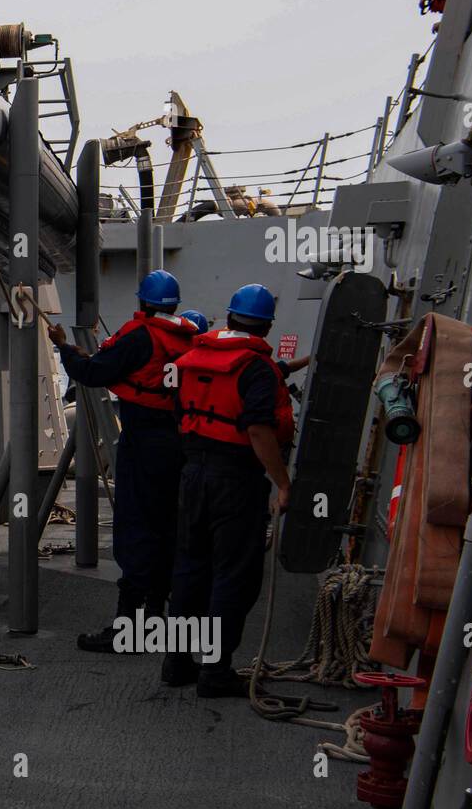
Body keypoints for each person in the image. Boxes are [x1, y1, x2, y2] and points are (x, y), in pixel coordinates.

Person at [163, 285, 309, 696]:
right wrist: (283, 483)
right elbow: (260, 429)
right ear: (264, 326)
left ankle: (176, 662)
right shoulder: (256, 369)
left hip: (193, 475)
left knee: (190, 569)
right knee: (233, 574)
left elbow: (181, 414)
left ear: (229, 319)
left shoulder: (190, 360)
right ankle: (214, 671)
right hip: (236, 480)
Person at [48, 269, 198, 652]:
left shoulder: (139, 337)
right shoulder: (189, 339)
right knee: (167, 531)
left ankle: (128, 630)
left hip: (144, 444)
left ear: (143, 302)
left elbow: (91, 372)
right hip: (179, 444)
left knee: (135, 531)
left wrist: (64, 346)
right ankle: (156, 620)